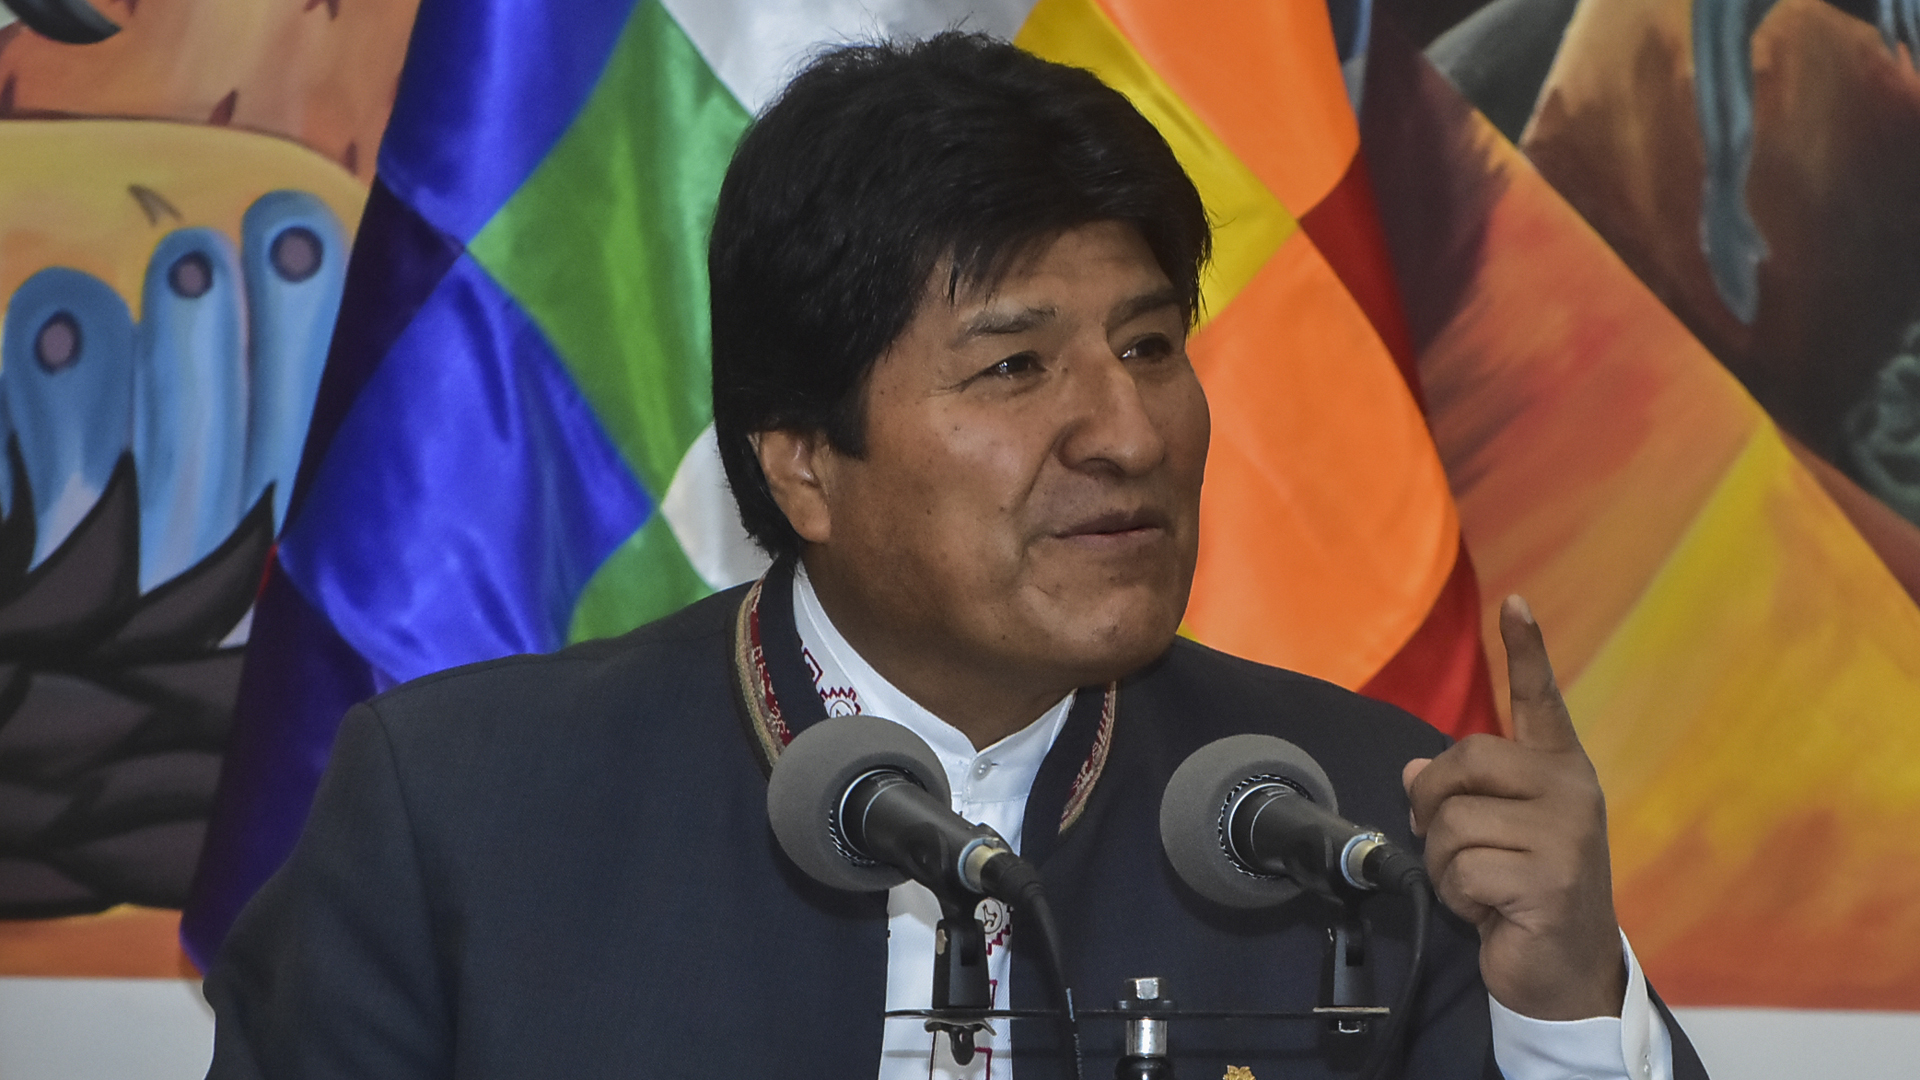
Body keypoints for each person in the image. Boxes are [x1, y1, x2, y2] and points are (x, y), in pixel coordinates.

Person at [204, 33, 1708, 1080]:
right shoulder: (463, 814)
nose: (1129, 431)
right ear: (803, 462)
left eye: (1150, 345)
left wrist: (1571, 1008)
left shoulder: (1361, 827)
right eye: (1013, 368)